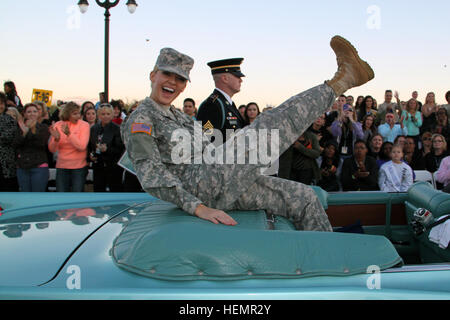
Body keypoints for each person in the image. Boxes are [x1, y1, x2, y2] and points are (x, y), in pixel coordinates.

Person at [121, 35, 374, 230]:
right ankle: (343, 79)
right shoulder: (142, 118)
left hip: (219, 174)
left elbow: (209, 142)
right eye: (167, 74)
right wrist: (198, 208)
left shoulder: (178, 115)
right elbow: (150, 175)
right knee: (268, 127)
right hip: (200, 184)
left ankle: (328, 265)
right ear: (153, 75)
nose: (172, 83)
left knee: (303, 197)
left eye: (180, 79)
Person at [196, 58, 246, 142]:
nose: (241, 80)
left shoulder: (227, 103)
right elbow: (207, 144)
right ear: (225, 78)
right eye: (237, 76)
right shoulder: (212, 105)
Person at [48, 102, 90, 192]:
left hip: (79, 168)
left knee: (76, 197)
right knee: (62, 197)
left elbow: (82, 146)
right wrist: (56, 139)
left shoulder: (84, 125)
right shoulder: (58, 125)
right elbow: (52, 149)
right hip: (62, 167)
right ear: (67, 114)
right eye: (75, 114)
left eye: (79, 113)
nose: (78, 116)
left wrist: (69, 134)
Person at [13, 103, 50, 192]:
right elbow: (15, 144)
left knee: (37, 195)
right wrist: (24, 133)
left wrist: (32, 129)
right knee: (25, 194)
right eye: (29, 112)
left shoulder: (43, 127)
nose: (32, 113)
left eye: (34, 111)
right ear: (24, 114)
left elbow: (41, 144)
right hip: (22, 166)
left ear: (38, 114)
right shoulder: (19, 127)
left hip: (39, 166)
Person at [88, 103, 125, 192]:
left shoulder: (117, 129)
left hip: (113, 168)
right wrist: (91, 155)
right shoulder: (94, 128)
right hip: (98, 166)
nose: (105, 116)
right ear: (99, 115)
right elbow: (90, 146)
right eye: (103, 114)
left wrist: (107, 149)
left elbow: (120, 149)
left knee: (115, 191)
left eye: (108, 114)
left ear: (112, 115)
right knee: (98, 190)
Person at [0, 92, 19, 191]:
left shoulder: (10, 120)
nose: (0, 106)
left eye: (2, 103)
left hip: (6, 165)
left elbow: (8, 137)